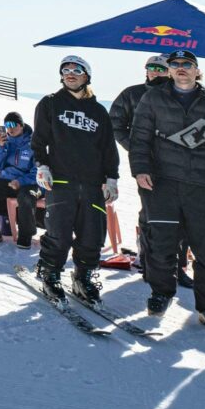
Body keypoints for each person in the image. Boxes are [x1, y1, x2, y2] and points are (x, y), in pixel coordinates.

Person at [129, 48, 205, 333]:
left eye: (187, 64)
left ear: (197, 71)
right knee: (160, 244)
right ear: (169, 71)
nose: (180, 68)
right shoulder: (153, 99)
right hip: (163, 184)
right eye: (175, 64)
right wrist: (140, 169)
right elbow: (139, 137)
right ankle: (161, 293)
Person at [31, 55, 121, 303]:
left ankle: (83, 277)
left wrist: (112, 178)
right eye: (65, 69)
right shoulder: (50, 104)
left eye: (76, 69)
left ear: (86, 76)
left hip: (93, 183)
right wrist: (42, 166)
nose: (70, 73)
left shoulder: (98, 111)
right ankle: (50, 273)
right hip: (60, 181)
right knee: (59, 233)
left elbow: (108, 149)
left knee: (92, 235)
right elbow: (39, 141)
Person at [110, 53, 187, 286]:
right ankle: (147, 259)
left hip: (180, 166)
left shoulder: (182, 94)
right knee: (151, 214)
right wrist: (136, 149)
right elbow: (115, 123)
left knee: (181, 217)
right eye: (151, 67)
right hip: (147, 167)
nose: (155, 71)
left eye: (160, 67)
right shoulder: (132, 94)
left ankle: (177, 267)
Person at [0, 111, 41, 247]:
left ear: (21, 126)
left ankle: (25, 235)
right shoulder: (5, 142)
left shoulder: (34, 144)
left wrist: (20, 182)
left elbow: (37, 172)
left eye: (13, 125)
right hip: (7, 182)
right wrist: (0, 147)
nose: (10, 128)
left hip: (29, 184)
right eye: (7, 125)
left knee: (25, 196)